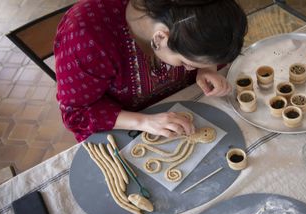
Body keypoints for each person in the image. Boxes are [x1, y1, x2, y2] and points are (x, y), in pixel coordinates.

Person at [54, 0, 247, 142]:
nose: (190, 68)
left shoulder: (194, 15)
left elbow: (207, 39)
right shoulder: (86, 36)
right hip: (125, 124)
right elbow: (76, 113)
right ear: (160, 38)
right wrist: (142, 122)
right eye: (186, 62)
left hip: (185, 103)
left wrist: (207, 68)